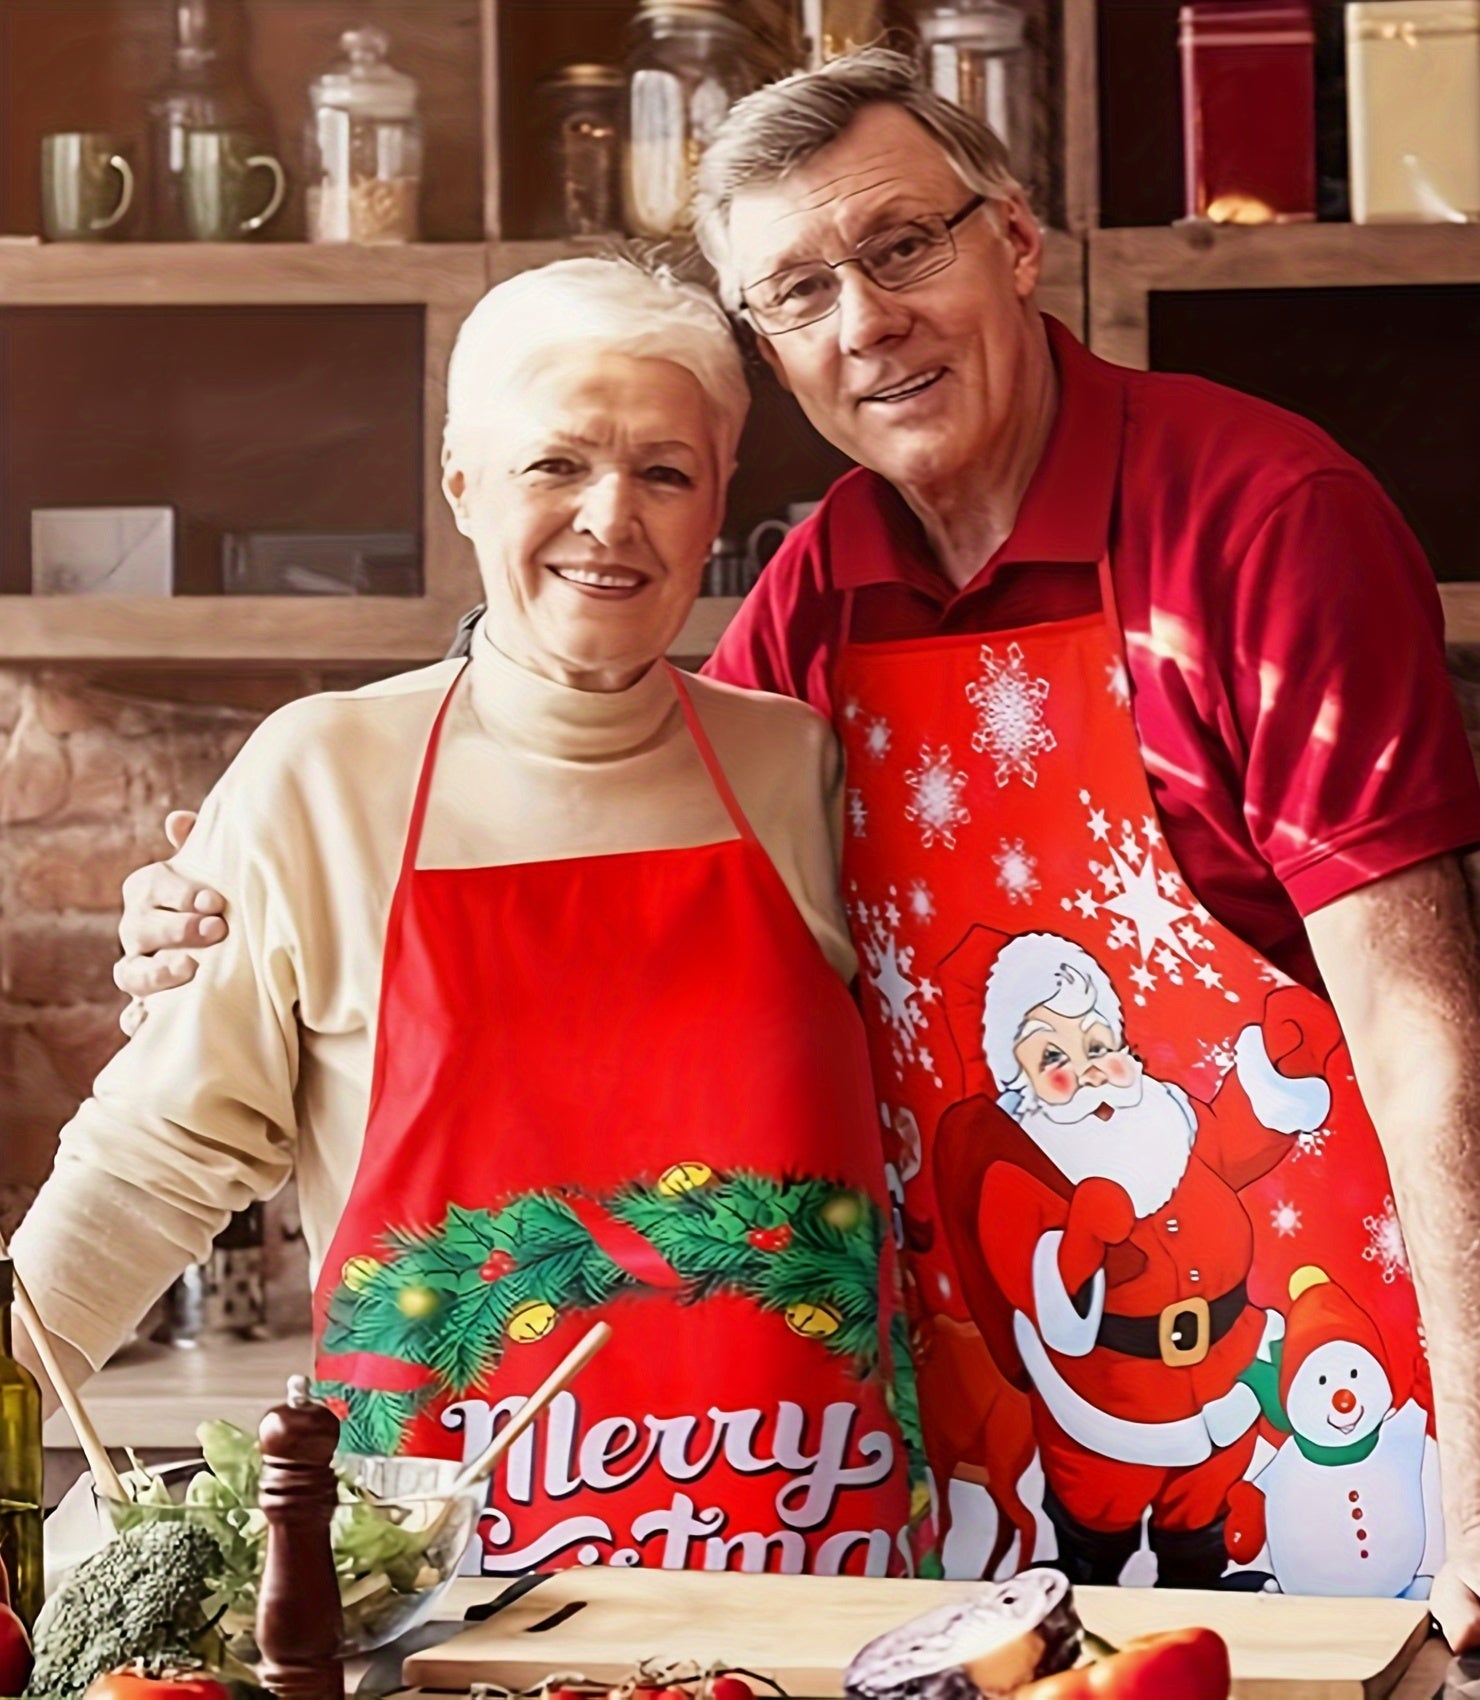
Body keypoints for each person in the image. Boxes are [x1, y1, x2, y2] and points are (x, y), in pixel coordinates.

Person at [114, 51, 1480, 1661]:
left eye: (902, 247)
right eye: (799, 292)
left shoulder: (1261, 521)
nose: (866, 321)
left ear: (1014, 240)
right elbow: (598, 776)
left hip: (1310, 1411)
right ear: (771, 350)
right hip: (974, 1488)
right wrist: (230, 892)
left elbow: (1424, 1040)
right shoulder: (818, 590)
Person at [13, 256, 915, 1578]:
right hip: (435, 1589)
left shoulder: (807, 767)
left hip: (807, 1560)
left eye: (665, 473)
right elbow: (155, 1163)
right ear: (462, 485)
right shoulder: (322, 774)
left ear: (719, 500)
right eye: (557, 464)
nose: (611, 517)